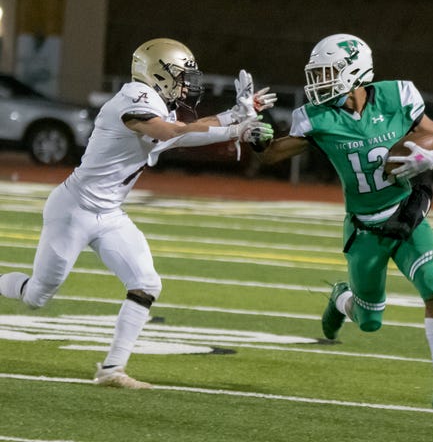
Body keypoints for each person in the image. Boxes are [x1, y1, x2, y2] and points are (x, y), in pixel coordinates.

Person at [0, 38, 275, 388]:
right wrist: (236, 128)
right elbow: (171, 132)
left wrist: (236, 114)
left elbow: (181, 134)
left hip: (109, 213)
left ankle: (112, 370)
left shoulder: (156, 102)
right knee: (37, 295)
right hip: (73, 209)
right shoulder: (134, 98)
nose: (188, 82)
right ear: (157, 72)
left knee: (146, 284)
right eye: (181, 74)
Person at [256, 33, 433, 410]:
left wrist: (432, 159)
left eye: (326, 73)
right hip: (364, 226)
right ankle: (342, 299)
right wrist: (254, 128)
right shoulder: (317, 116)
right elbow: (270, 156)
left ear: (355, 70)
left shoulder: (397, 96)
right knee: (369, 322)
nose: (318, 82)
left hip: (405, 214)